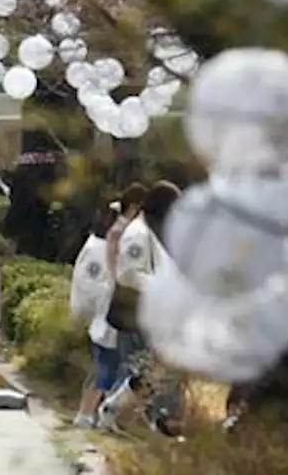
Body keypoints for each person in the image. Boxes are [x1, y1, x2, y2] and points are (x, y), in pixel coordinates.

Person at [97, 181, 183, 435]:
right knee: (150, 370)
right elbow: (128, 274)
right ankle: (128, 413)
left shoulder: (151, 232)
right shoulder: (138, 234)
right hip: (137, 313)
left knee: (152, 372)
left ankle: (119, 410)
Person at [70, 205, 120, 428]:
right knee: (102, 367)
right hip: (104, 318)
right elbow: (88, 285)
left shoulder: (106, 247)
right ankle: (85, 413)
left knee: (109, 369)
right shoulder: (97, 249)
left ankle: (95, 414)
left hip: (111, 318)